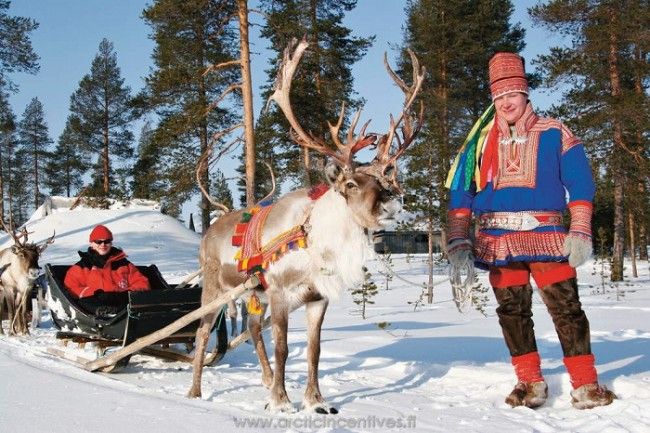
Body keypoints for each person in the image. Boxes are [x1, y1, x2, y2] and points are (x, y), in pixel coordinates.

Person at [445, 52, 615, 410]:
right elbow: (461, 191)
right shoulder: (478, 143)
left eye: (512, 94)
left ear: (525, 94)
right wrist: (459, 236)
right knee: (512, 312)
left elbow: (581, 183)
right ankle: (529, 382)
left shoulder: (555, 132)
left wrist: (581, 229)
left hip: (547, 238)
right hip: (497, 242)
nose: (506, 102)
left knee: (567, 308)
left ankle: (585, 385)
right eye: (498, 97)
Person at [64, 224, 150, 316]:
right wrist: (94, 292)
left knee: (135, 300)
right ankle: (105, 313)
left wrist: (124, 292)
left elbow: (143, 283)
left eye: (107, 241)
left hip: (121, 300)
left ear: (111, 243)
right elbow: (71, 288)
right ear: (92, 244)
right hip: (95, 302)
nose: (103, 245)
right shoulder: (82, 266)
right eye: (98, 242)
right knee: (83, 302)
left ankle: (119, 312)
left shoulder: (124, 264)